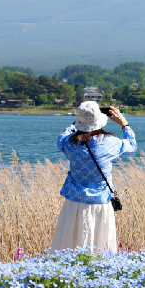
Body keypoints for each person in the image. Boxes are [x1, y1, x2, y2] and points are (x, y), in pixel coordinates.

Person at [50, 101, 136, 253]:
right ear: (99, 120)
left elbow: (62, 135)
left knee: (70, 244)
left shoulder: (69, 143)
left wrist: (78, 122)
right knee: (101, 246)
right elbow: (131, 144)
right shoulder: (110, 143)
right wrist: (124, 124)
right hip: (100, 203)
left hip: (73, 203)